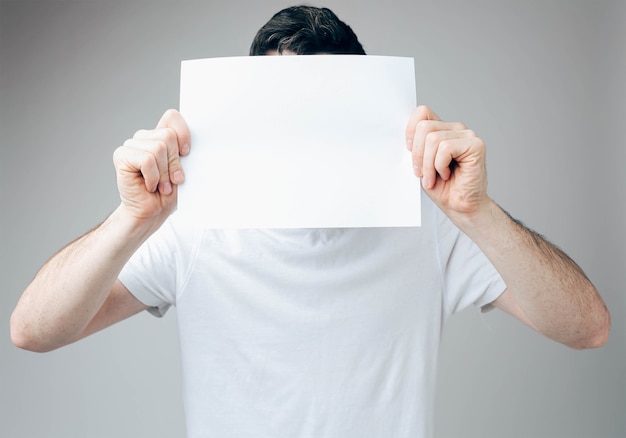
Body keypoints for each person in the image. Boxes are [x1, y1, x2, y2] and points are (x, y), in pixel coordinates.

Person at [10, 5, 610, 438]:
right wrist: (131, 219)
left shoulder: (431, 225)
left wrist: (477, 211)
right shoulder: (194, 227)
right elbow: (34, 330)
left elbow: (587, 329)